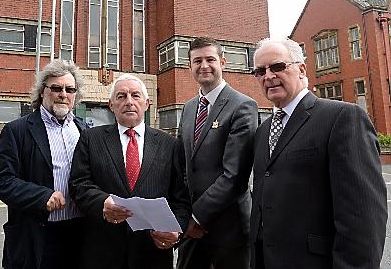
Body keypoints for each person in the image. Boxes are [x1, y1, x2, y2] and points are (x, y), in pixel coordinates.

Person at [250, 37, 387, 269]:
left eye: (277, 67)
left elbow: (363, 218)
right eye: (260, 71)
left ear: (301, 69)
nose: (268, 76)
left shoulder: (342, 118)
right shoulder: (263, 130)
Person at [69, 73, 190, 269]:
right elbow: (78, 184)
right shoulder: (91, 139)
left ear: (147, 103)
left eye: (135, 95)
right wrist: (102, 202)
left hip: (152, 253)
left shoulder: (170, 144)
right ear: (111, 105)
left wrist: (176, 230)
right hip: (102, 252)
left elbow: (181, 198)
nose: (129, 102)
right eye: (121, 96)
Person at [0, 59, 87, 269]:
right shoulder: (17, 130)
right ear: (43, 91)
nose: (63, 94)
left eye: (70, 89)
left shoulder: (84, 131)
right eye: (56, 88)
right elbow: (0, 181)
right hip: (36, 237)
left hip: (79, 234)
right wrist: (42, 196)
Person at [176, 37, 258, 269]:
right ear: (189, 66)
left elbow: (235, 176)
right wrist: (184, 214)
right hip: (191, 229)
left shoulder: (243, 106)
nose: (204, 65)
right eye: (197, 60)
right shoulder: (189, 107)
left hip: (229, 229)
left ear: (222, 62)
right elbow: (183, 164)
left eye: (210, 59)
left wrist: (197, 216)